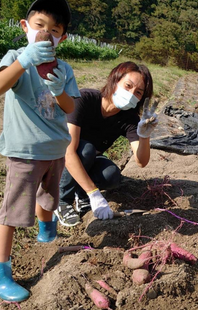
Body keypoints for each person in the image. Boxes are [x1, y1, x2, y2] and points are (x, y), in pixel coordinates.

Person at [0, 0, 79, 302]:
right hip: (25, 151)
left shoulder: (63, 68)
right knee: (13, 213)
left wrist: (58, 91)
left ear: (61, 38)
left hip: (55, 149)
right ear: (26, 27)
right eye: (39, 25)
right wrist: (24, 60)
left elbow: (70, 107)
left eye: (54, 30)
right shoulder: (16, 58)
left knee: (49, 197)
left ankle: (47, 231)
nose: (46, 33)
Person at [54, 61, 158, 226]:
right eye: (128, 86)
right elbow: (68, 151)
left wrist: (144, 135)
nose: (131, 94)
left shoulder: (129, 118)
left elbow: (141, 161)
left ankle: (81, 195)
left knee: (111, 175)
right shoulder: (84, 99)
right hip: (58, 158)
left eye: (138, 92)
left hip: (87, 160)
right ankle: (61, 200)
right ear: (114, 80)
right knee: (86, 150)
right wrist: (94, 193)